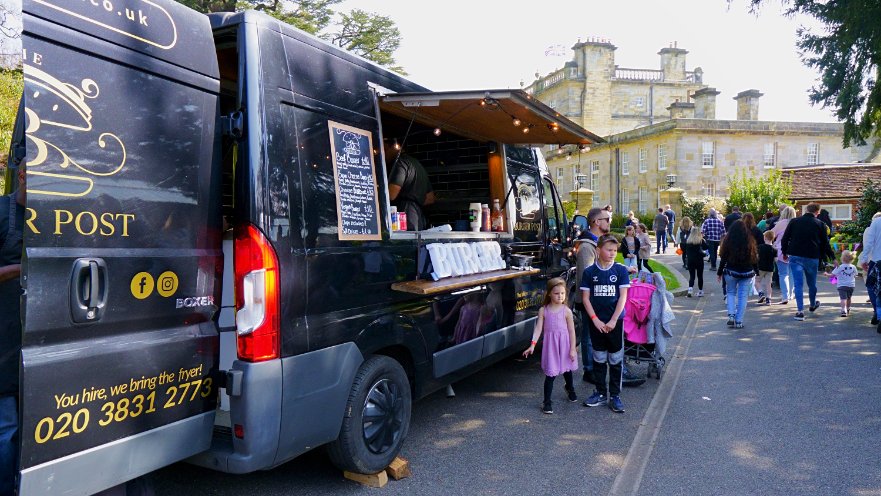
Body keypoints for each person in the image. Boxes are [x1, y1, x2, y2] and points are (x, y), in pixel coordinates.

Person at [580, 234, 630, 413]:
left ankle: (615, 395)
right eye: (609, 250)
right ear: (598, 250)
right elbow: (586, 299)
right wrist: (595, 320)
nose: (612, 254)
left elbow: (623, 296)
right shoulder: (589, 272)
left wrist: (614, 319)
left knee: (615, 359)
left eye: (615, 251)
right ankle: (600, 393)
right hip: (597, 323)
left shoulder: (621, 270)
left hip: (615, 322)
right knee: (599, 358)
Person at [0, 164, 24, 496]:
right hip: (3, 346)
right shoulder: (1, 211)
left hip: (35, 343)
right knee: (6, 433)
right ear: (21, 176)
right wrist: (21, 268)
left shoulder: (54, 216)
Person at [523, 278, 578, 414]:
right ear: (549, 294)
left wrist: (572, 348)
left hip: (565, 345)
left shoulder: (567, 311)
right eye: (556, 293)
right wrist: (532, 345)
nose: (560, 296)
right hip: (551, 347)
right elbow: (538, 329)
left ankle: (570, 388)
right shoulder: (544, 310)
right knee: (550, 374)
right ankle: (547, 402)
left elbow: (572, 331)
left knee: (567, 370)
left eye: (562, 293)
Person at [780, 202, 835, 321]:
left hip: (795, 255)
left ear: (806, 210)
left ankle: (800, 311)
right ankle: (812, 304)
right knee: (812, 284)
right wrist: (833, 258)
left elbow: (785, 239)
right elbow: (825, 244)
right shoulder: (820, 224)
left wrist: (784, 252)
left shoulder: (794, 222)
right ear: (817, 212)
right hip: (812, 256)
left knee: (798, 284)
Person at [385, 141, 436, 231]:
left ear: (394, 146)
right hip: (418, 216)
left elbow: (392, 194)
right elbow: (430, 198)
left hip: (403, 216)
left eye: (385, 149)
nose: (383, 153)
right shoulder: (417, 164)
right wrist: (416, 200)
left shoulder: (400, 163)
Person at [717, 220, 757, 329]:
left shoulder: (728, 240)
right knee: (743, 296)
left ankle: (731, 315)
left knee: (730, 292)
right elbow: (754, 258)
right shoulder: (750, 240)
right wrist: (756, 272)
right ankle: (739, 321)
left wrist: (719, 272)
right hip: (747, 272)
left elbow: (723, 258)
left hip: (731, 271)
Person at [858, 212, 881, 330]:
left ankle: (878, 314)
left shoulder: (876, 223)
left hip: (877, 261)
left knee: (873, 287)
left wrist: (863, 259)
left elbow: (868, 244)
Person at [771, 206, 797, 304]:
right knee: (792, 274)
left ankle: (785, 296)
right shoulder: (797, 223)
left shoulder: (781, 223)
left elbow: (771, 233)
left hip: (782, 250)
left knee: (783, 274)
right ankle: (791, 294)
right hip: (795, 251)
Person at [827, 250, 858, 317]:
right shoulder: (853, 267)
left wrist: (827, 274)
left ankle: (844, 310)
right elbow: (856, 275)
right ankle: (848, 308)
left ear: (842, 258)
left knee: (843, 298)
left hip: (842, 285)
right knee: (849, 298)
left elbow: (832, 275)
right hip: (851, 285)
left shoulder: (840, 267)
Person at [684, 226, 708, 297]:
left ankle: (690, 289)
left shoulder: (688, 241)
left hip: (690, 260)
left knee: (692, 276)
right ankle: (700, 291)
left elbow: (685, 251)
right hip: (699, 261)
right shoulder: (701, 240)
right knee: (700, 276)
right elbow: (706, 247)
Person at [756, 230, 778, 305]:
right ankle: (769, 299)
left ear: (764, 238)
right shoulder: (774, 249)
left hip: (761, 267)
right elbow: (776, 260)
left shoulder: (760, 247)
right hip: (770, 268)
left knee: (757, 281)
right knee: (769, 284)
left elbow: (757, 257)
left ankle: (761, 293)